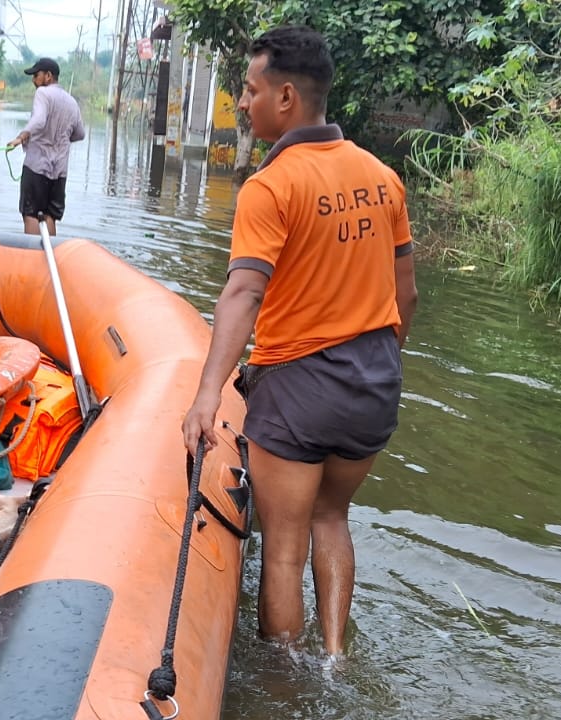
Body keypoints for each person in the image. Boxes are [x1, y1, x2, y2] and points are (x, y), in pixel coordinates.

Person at [180, 26, 419, 658]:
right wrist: (380, 363)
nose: (244, 101)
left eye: (251, 90)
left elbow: (242, 295)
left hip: (297, 388)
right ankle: (336, 658)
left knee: (282, 551)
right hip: (374, 381)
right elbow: (408, 299)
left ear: (286, 97)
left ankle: (287, 685)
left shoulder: (270, 186)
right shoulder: (382, 178)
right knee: (331, 517)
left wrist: (207, 396)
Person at [5, 57, 85, 237]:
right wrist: (61, 139)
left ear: (48, 76)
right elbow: (80, 133)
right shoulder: (72, 102)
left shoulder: (43, 93)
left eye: (36, 75)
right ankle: (50, 259)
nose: (34, 80)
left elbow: (39, 120)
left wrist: (22, 136)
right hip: (60, 173)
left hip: (37, 167)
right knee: (50, 216)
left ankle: (33, 259)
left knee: (31, 215)